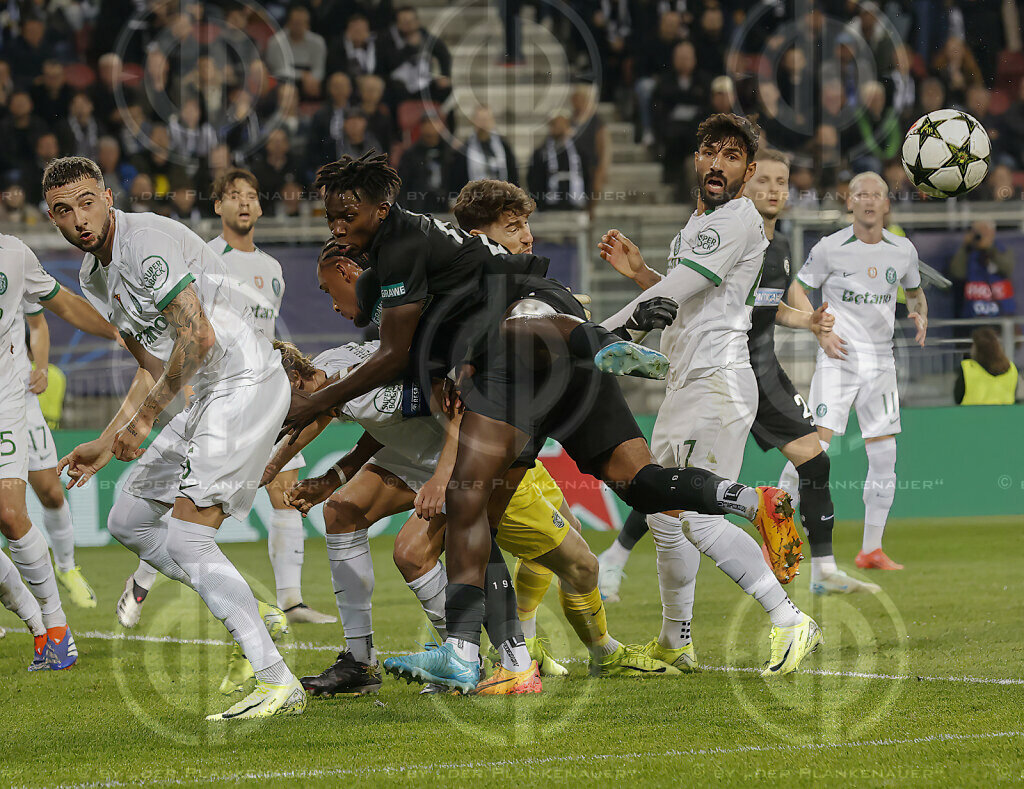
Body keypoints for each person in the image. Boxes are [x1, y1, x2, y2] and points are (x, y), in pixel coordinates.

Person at [282, 151, 813, 692]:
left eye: (524, 225)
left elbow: (415, 363)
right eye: (513, 227)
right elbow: (425, 367)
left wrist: (315, 410)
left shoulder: (419, 263)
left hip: (524, 359)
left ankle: (482, 656)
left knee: (472, 498)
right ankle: (749, 501)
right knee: (640, 485)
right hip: (561, 360)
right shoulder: (430, 266)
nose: (528, 236)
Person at [45, 156, 306, 720]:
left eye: (87, 202)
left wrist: (143, 424)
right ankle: (249, 608)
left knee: (188, 540)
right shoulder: (93, 277)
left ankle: (275, 677)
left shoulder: (147, 243)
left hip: (244, 380)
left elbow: (199, 338)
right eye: (64, 211)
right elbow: (151, 366)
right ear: (53, 220)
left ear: (108, 198)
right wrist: (108, 435)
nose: (79, 218)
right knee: (128, 519)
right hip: (209, 392)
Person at [588, 117, 823, 675]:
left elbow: (681, 292)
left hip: (716, 382)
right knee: (662, 511)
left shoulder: (738, 218)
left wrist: (601, 334)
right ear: (696, 159)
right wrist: (643, 272)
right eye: (710, 152)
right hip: (686, 382)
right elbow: (683, 301)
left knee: (696, 515)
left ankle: (791, 620)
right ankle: (676, 642)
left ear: (747, 172)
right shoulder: (698, 223)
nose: (718, 163)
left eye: (733, 156)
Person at [598, 149, 880, 608]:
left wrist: (810, 324)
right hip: (723, 369)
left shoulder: (780, 246)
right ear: (745, 184)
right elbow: (687, 293)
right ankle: (624, 558)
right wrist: (644, 276)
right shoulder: (729, 236)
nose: (773, 189)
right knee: (675, 484)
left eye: (781, 182)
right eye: (764, 179)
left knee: (806, 462)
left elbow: (771, 305)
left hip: (758, 369)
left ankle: (819, 571)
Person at [121, 169, 336, 626]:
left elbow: (267, 332)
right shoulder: (203, 257)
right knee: (188, 504)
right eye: (233, 196)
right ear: (216, 206)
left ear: (260, 207)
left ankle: (292, 601)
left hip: (260, 390)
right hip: (212, 392)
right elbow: (190, 330)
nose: (244, 203)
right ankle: (142, 580)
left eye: (252, 196)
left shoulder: (273, 271)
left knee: (284, 489)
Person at [779, 171, 928, 572]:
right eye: (860, 193)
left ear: (885, 203)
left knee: (885, 456)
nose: (867, 200)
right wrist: (817, 327)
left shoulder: (903, 250)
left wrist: (919, 312)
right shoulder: (830, 248)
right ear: (849, 202)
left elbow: (914, 291)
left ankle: (871, 550)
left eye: (875, 194)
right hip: (839, 357)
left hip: (881, 363)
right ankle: (775, 531)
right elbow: (797, 286)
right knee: (814, 450)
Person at [0, 228, 118, 671]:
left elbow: (61, 303)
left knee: (12, 512)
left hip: (7, 398)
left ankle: (56, 623)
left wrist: (119, 334)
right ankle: (37, 626)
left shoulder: (12, 253)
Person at [22, 303, 98, 608]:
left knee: (53, 495)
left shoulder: (46, 375)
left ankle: (66, 568)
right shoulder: (58, 376)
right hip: (39, 420)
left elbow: (41, 314)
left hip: (26, 418)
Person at [948, 221, 1016, 329]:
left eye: (985, 230)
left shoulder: (1001, 250)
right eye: (977, 231)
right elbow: (957, 273)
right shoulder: (967, 252)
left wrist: (989, 248)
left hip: (1000, 315)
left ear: (992, 232)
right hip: (972, 316)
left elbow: (1008, 268)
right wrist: (965, 247)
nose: (981, 235)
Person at [954, 327, 1019, 405]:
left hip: (971, 416)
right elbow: (1014, 395)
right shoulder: (1011, 368)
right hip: (1004, 416)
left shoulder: (967, 369)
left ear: (978, 350)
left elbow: (958, 398)